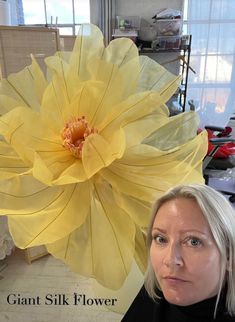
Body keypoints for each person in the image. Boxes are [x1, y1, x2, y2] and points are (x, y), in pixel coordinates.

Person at [121, 184, 235, 321]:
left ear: (229, 255)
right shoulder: (160, 287)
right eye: (161, 239)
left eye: (194, 242)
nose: (169, 261)